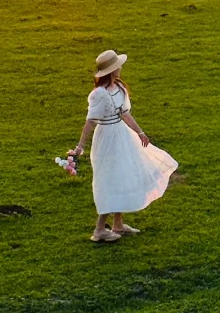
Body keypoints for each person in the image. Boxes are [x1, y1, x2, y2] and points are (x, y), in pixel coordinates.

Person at [72, 49, 178, 244]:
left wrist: (140, 132)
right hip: (106, 139)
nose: (120, 68)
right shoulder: (99, 95)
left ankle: (118, 224)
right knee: (109, 179)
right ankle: (99, 229)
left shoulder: (119, 88)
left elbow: (125, 114)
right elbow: (90, 122)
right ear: (111, 70)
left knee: (121, 175)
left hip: (122, 135)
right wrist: (80, 147)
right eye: (117, 66)